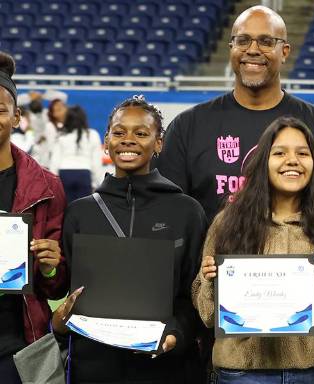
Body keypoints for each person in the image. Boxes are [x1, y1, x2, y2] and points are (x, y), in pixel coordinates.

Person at [52, 95, 207, 383]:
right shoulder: (80, 212)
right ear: (107, 140)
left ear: (158, 143)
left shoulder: (187, 211)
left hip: (166, 368)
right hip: (94, 367)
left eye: (141, 133)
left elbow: (195, 293)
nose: (128, 140)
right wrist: (61, 320)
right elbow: (67, 286)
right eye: (119, 132)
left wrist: (177, 334)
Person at [156, 6, 314, 221]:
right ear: (231, 47)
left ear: (285, 51)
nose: (252, 50)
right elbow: (167, 214)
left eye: (266, 41)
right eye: (243, 41)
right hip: (210, 254)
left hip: (299, 255)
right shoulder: (187, 127)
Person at [193, 117, 314, 383]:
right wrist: (209, 282)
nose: (292, 161)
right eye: (279, 153)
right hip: (242, 373)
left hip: (313, 373)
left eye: (302, 153)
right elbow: (208, 316)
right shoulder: (228, 223)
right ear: (263, 161)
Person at [0, 51, 67, 382]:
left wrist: (51, 264)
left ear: (16, 117)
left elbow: (55, 289)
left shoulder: (47, 188)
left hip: (18, 347)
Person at [47, 105, 105, 201]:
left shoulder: (61, 136)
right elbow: (96, 162)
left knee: (65, 210)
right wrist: (97, 183)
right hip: (84, 174)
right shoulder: (92, 135)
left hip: (64, 174)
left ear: (67, 119)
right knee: (83, 210)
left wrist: (53, 184)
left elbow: (54, 161)